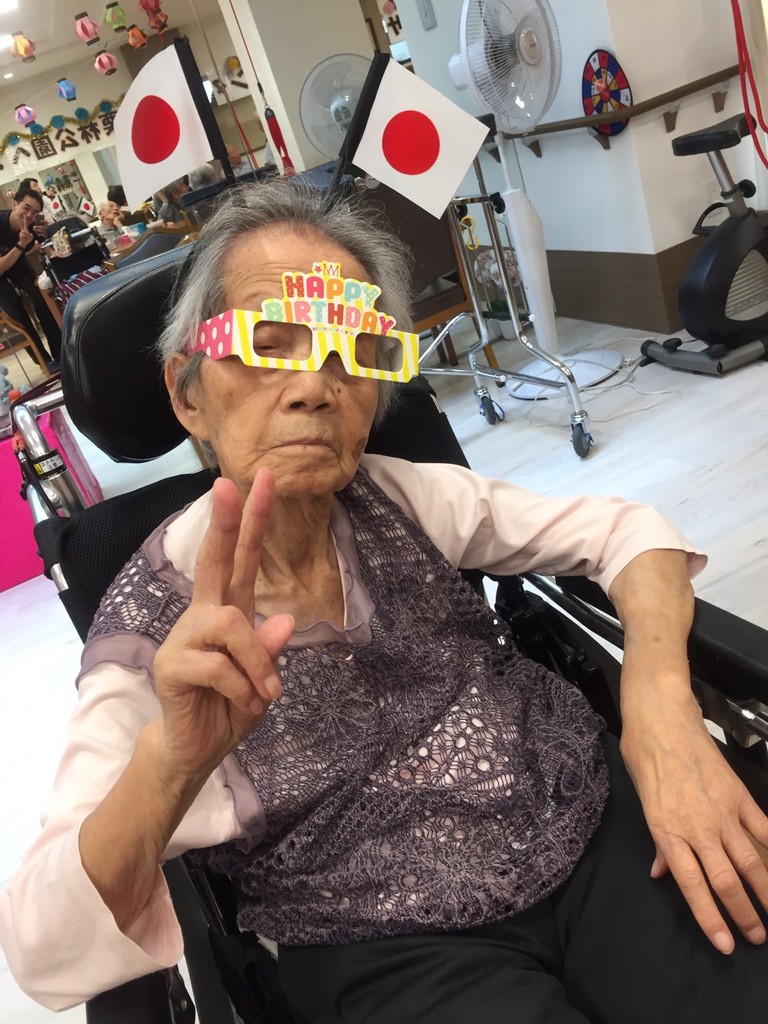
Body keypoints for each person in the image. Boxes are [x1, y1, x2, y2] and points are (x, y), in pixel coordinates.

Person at [1, 181, 767, 1023]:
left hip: (580, 817)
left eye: (352, 352)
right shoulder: (149, 635)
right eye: (267, 344)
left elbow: (631, 533)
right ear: (188, 395)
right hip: (385, 942)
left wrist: (660, 705)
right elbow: (41, 944)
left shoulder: (398, 496)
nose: (313, 386)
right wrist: (170, 765)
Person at [0, 184, 62, 366]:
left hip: (17, 261)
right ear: (15, 205)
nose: (28, 215)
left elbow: (51, 253)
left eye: (34, 212)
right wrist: (21, 244)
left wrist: (48, 235)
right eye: (25, 208)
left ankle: (59, 355)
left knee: (41, 297)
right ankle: (43, 361)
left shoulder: (35, 225)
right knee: (16, 311)